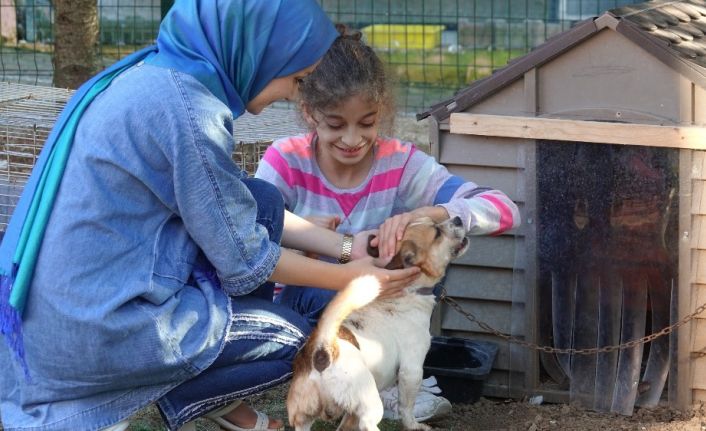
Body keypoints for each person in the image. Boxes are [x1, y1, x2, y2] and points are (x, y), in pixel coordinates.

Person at [0, 2, 421, 431]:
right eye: (297, 79)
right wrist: (358, 280)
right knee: (296, 339)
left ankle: (194, 387)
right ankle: (170, 387)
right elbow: (248, 260)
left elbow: (234, 203)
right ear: (260, 50)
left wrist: (347, 247)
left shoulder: (158, 74)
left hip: (61, 313)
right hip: (100, 330)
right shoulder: (189, 112)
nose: (296, 93)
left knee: (263, 201)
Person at [254, 28, 521, 422]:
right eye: (334, 124)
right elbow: (245, 236)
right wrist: (308, 237)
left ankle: (388, 385)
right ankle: (354, 385)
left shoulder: (401, 163)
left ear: (382, 113)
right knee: (327, 293)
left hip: (382, 317)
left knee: (429, 254)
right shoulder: (285, 159)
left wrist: (427, 216)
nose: (352, 139)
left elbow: (502, 208)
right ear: (309, 113)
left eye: (367, 123)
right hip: (303, 312)